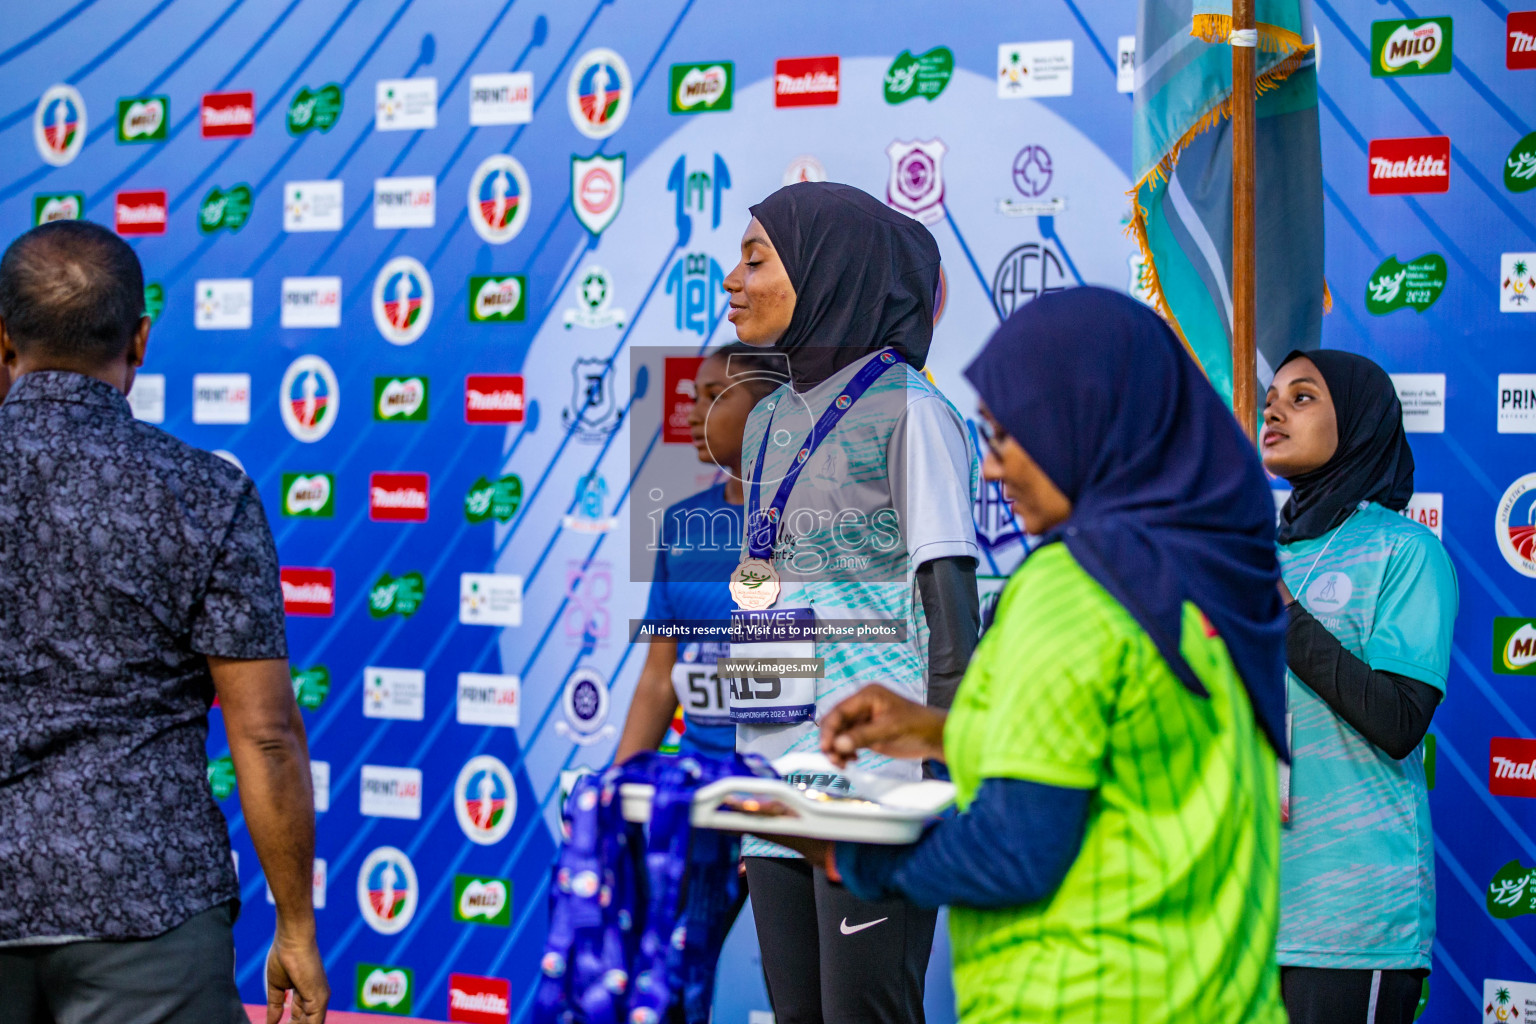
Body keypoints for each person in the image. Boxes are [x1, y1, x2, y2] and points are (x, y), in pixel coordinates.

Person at [803, 287, 1290, 1023]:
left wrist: (845, 855)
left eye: (1006, 436)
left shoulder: (1071, 590)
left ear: (1084, 416)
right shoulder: (1208, 578)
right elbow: (1134, 752)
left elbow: (1012, 853)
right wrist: (940, 732)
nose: (993, 472)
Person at [0, 221, 328, 1024]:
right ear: (140, 339)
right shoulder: (205, 494)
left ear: (2, 340)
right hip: (149, 909)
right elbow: (266, 735)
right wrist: (296, 925)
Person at [721, 181, 981, 1024]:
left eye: (756, 258)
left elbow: (951, 615)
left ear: (830, 270)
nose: (733, 277)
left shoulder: (912, 409)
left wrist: (940, 781)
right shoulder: (765, 425)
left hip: (875, 784)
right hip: (773, 780)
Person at [1261, 350, 1456, 1024]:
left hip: (1351, 922)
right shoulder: (1255, 551)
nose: (1274, 407)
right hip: (1243, 916)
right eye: (1272, 396)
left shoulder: (1405, 551)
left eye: (1304, 396)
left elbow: (1400, 719)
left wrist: (1282, 613)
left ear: (1361, 421)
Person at [615, 342, 786, 761]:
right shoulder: (680, 523)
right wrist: (614, 785)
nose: (693, 414)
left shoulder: (816, 523)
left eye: (715, 397)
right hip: (696, 789)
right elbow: (659, 678)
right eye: (694, 398)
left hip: (784, 792)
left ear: (771, 411)